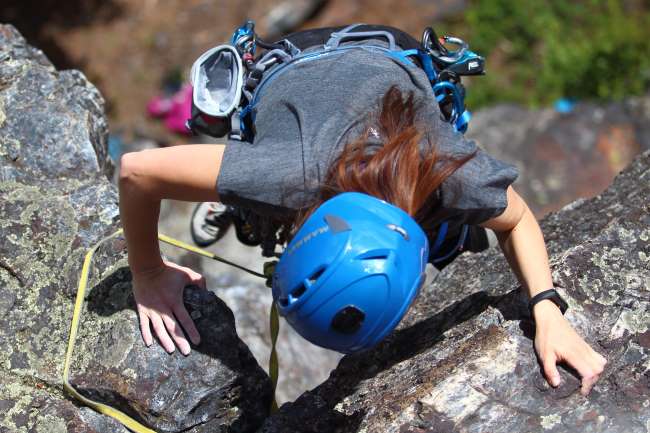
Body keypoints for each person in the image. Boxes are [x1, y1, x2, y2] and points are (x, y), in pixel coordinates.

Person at [118, 24, 606, 396]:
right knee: (260, 211)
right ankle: (229, 193)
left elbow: (516, 218)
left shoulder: (445, 174)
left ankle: (227, 184)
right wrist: (147, 272)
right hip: (300, 66)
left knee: (453, 235)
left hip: (377, 62)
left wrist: (548, 308)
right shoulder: (286, 177)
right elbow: (136, 171)